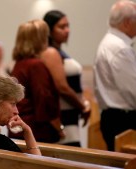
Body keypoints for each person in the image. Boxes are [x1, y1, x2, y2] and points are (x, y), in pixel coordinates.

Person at [9, 19, 63, 143]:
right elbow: (44, 99)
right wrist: (59, 128)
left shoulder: (19, 64)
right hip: (36, 131)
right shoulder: (36, 65)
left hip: (20, 127)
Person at [43, 10, 90, 147]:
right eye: (61, 27)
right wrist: (83, 107)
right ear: (49, 30)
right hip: (63, 115)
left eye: (68, 26)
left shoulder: (59, 51)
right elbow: (61, 87)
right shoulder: (51, 52)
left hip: (71, 113)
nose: (67, 30)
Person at [94, 0, 136, 151]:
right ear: (126, 22)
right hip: (123, 120)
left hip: (114, 118)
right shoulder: (119, 48)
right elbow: (132, 89)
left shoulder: (111, 42)